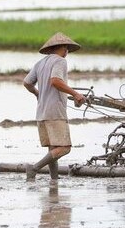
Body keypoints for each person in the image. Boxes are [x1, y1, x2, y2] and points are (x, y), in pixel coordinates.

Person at [23, 32, 86, 183]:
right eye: (67, 49)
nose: (67, 52)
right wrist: (75, 94)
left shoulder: (40, 63)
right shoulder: (60, 62)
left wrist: (39, 94)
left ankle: (54, 180)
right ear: (63, 48)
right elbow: (55, 81)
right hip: (55, 112)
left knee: (53, 149)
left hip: (41, 112)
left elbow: (27, 83)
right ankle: (35, 168)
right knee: (65, 148)